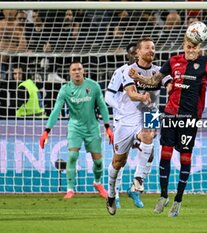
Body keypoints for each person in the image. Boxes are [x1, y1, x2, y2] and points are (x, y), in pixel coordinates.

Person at [129, 28, 207, 217]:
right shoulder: (173, 61)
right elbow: (153, 81)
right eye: (188, 46)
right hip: (170, 115)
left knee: (184, 159)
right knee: (165, 155)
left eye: (194, 47)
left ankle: (178, 200)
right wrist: (138, 77)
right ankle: (164, 196)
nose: (191, 50)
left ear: (199, 47)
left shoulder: (206, 63)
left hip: (189, 119)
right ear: (184, 45)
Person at [105, 37, 172, 215]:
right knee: (119, 161)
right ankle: (112, 193)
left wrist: (175, 88)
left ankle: (138, 182)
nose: (152, 50)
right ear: (138, 52)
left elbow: (170, 84)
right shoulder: (128, 70)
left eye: (154, 48)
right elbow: (131, 93)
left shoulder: (159, 70)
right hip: (127, 117)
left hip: (150, 113)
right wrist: (142, 97)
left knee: (148, 137)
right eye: (148, 48)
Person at [39, 60, 113, 199]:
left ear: (83, 70)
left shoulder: (93, 86)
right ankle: (70, 189)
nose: (77, 72)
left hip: (92, 127)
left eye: (79, 69)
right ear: (69, 73)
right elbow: (56, 110)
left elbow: (102, 106)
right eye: (74, 70)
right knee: (72, 156)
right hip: (75, 127)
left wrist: (108, 127)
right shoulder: (65, 89)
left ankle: (97, 183)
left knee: (98, 162)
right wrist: (46, 130)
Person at [104, 43, 137, 211]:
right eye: (132, 54)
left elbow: (154, 97)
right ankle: (114, 193)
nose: (136, 56)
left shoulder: (154, 71)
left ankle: (135, 187)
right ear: (128, 56)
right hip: (123, 121)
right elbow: (108, 96)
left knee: (149, 150)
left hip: (144, 119)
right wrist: (120, 108)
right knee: (120, 161)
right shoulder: (121, 72)